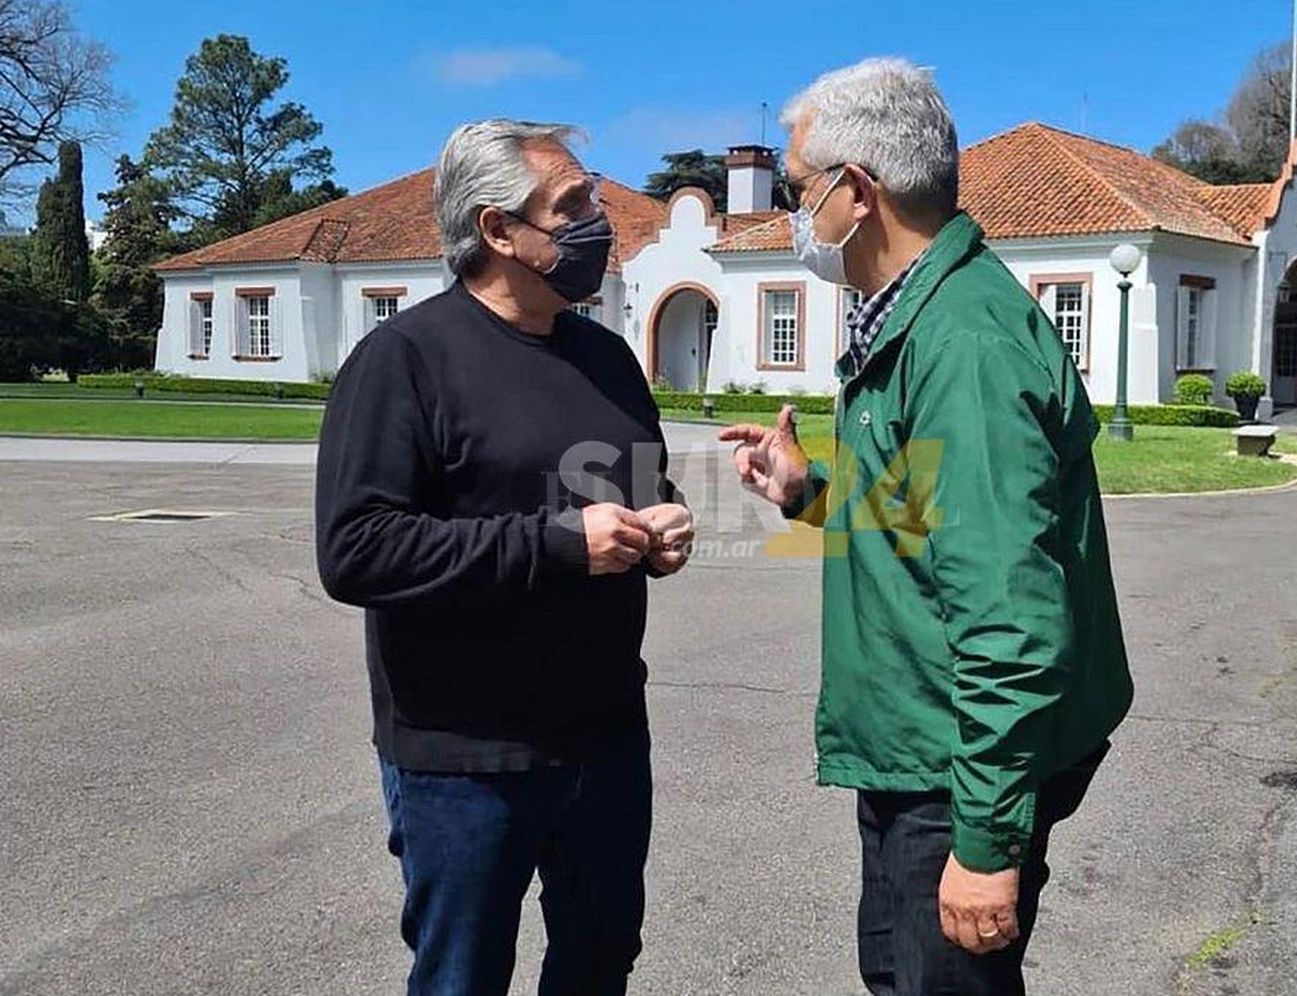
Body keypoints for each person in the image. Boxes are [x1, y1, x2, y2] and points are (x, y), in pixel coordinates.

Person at [720, 59, 1133, 995]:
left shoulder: (962, 342)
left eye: (796, 190)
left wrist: (986, 842)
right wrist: (806, 494)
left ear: (856, 194)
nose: (793, 215)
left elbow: (1012, 620)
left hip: (957, 772)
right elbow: (924, 521)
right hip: (923, 750)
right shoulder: (908, 321)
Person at [315, 118, 692, 995]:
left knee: (601, 961)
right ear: (496, 231)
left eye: (594, 197)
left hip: (603, 741)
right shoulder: (402, 362)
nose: (601, 221)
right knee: (463, 976)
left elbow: (644, 486)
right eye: (574, 207)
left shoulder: (607, 359)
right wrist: (559, 547)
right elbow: (357, 549)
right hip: (464, 756)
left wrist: (662, 530)